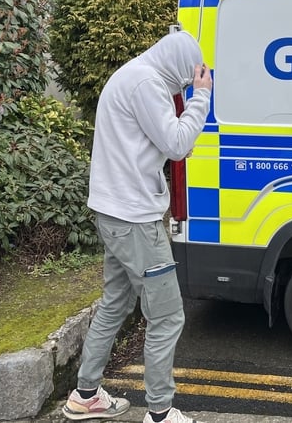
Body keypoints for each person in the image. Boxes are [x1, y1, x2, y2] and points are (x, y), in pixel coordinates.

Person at [62, 30, 212, 423]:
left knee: (116, 303)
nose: (183, 86)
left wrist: (178, 131)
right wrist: (201, 99)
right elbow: (178, 145)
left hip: (113, 214)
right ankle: (161, 413)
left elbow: (160, 140)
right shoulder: (147, 83)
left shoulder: (132, 73)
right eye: (184, 79)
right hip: (135, 220)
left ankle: (85, 395)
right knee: (166, 316)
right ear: (179, 66)